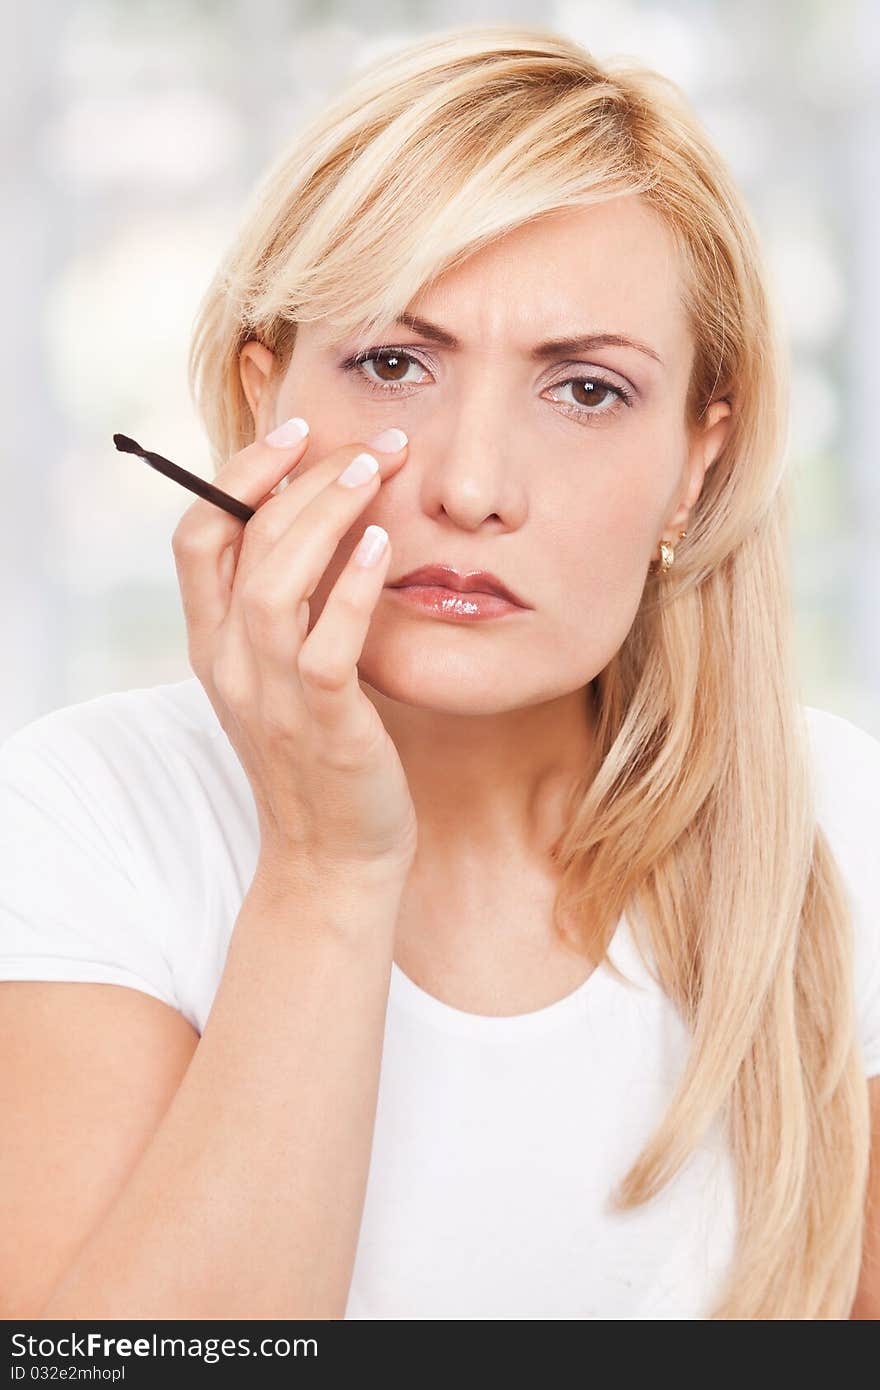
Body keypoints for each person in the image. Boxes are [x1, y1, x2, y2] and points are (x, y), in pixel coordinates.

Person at [1, 25, 878, 1322]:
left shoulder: (840, 820)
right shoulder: (82, 812)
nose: (471, 487)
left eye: (584, 390)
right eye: (393, 364)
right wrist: (326, 866)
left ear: (699, 461)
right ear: (263, 402)